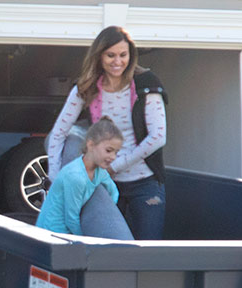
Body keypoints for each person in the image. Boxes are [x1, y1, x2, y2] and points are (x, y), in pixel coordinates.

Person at [46, 25, 168, 240]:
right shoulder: (86, 88)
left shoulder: (147, 84)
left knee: (148, 252)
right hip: (105, 185)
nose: (118, 61)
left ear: (131, 55)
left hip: (145, 183)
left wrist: (116, 165)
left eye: (123, 55)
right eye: (110, 55)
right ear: (99, 56)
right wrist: (55, 178)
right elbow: (58, 134)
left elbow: (158, 137)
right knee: (109, 252)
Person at [35, 117, 124, 236]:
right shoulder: (76, 177)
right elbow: (71, 218)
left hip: (67, 232)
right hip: (51, 233)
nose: (113, 157)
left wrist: (106, 212)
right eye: (109, 150)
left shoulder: (99, 171)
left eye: (116, 152)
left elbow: (114, 192)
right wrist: (83, 243)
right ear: (90, 145)